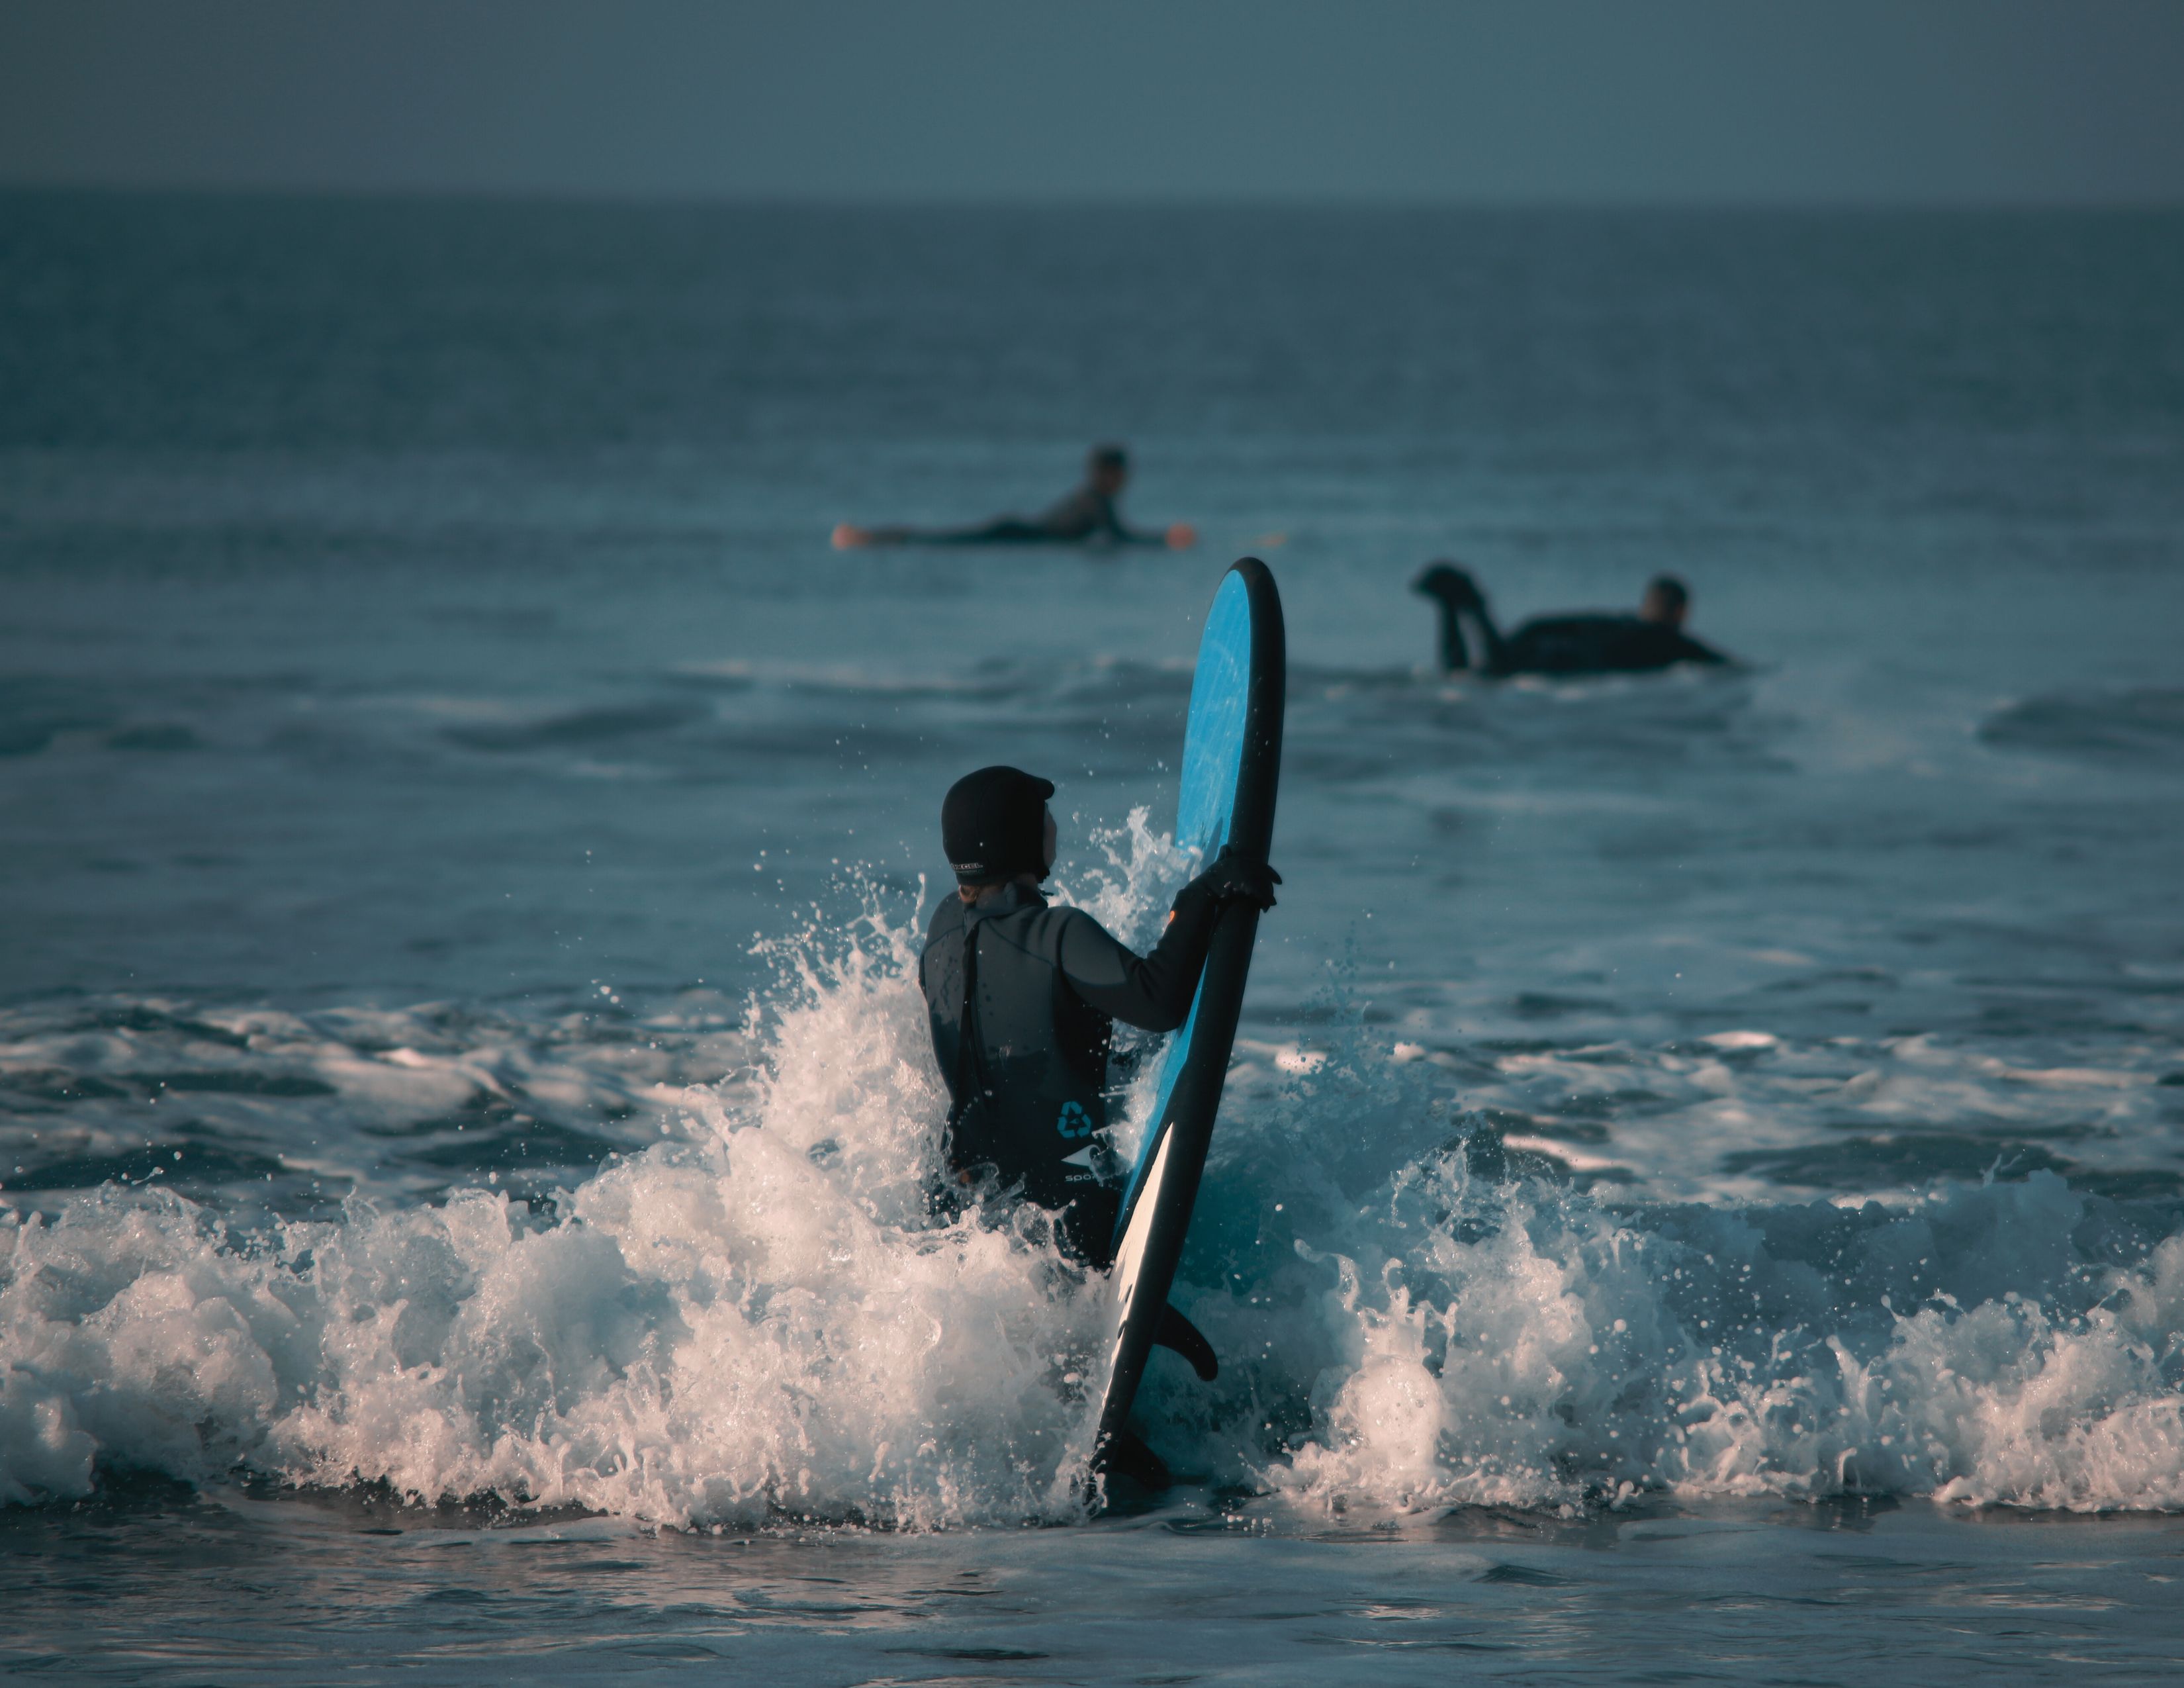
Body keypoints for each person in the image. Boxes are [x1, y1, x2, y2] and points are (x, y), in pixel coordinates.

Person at [919, 765, 1277, 1268]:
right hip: (1067, 1215)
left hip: (959, 1205)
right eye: (1044, 815)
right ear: (1022, 839)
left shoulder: (940, 930)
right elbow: (1158, 1002)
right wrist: (1200, 898)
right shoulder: (1056, 934)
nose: (1054, 825)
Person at [834, 445, 1196, 551]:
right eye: (1123, 474)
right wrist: (1166, 538)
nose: (1127, 481)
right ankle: (866, 537)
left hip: (1017, 529)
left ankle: (865, 536)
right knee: (939, 539)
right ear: (1111, 475)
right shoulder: (1096, 502)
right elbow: (1121, 538)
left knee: (942, 537)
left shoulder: (1091, 498)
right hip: (1018, 534)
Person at [1412, 563, 1731, 677]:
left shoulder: (1622, 620)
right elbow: (1720, 665)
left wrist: (1533, 627)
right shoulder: (1669, 642)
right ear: (1681, 612)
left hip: (1543, 636)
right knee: (1490, 671)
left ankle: (1454, 605)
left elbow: (1578, 619)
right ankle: (1464, 603)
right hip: (1564, 659)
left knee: (1469, 675)